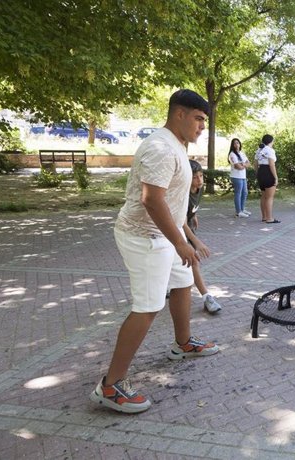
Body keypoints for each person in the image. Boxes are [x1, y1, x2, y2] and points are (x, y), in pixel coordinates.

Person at [90, 89, 219, 414]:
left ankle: (183, 343)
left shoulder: (176, 145)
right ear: (179, 114)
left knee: (182, 282)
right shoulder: (161, 147)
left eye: (204, 120)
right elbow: (151, 199)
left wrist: (184, 238)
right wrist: (179, 242)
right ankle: (111, 385)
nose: (203, 126)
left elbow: (174, 206)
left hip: (165, 236)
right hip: (144, 237)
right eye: (199, 119)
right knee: (147, 307)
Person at [184, 159, 223, 314]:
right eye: (195, 177)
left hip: (187, 224)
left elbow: (191, 210)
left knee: (179, 262)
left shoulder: (199, 189)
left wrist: (194, 215)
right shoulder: (183, 194)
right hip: (176, 229)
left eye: (201, 175)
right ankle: (207, 297)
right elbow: (180, 222)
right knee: (193, 260)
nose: (199, 180)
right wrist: (197, 243)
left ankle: (168, 286)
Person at [254, 134, 280, 224]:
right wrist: (276, 177)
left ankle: (264, 217)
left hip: (261, 171)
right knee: (269, 197)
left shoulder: (259, 150)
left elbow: (255, 164)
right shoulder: (270, 150)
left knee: (263, 196)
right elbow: (271, 164)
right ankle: (269, 218)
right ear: (271, 141)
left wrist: (257, 174)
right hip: (268, 172)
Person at [228, 138, 251, 218]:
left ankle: (242, 209)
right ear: (232, 145)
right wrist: (243, 164)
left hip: (243, 176)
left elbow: (249, 163)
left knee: (245, 193)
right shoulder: (232, 154)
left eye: (238, 143)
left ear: (240, 144)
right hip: (236, 176)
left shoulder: (242, 153)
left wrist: (242, 164)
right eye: (234, 143)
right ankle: (238, 212)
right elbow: (238, 167)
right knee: (238, 193)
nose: (236, 145)